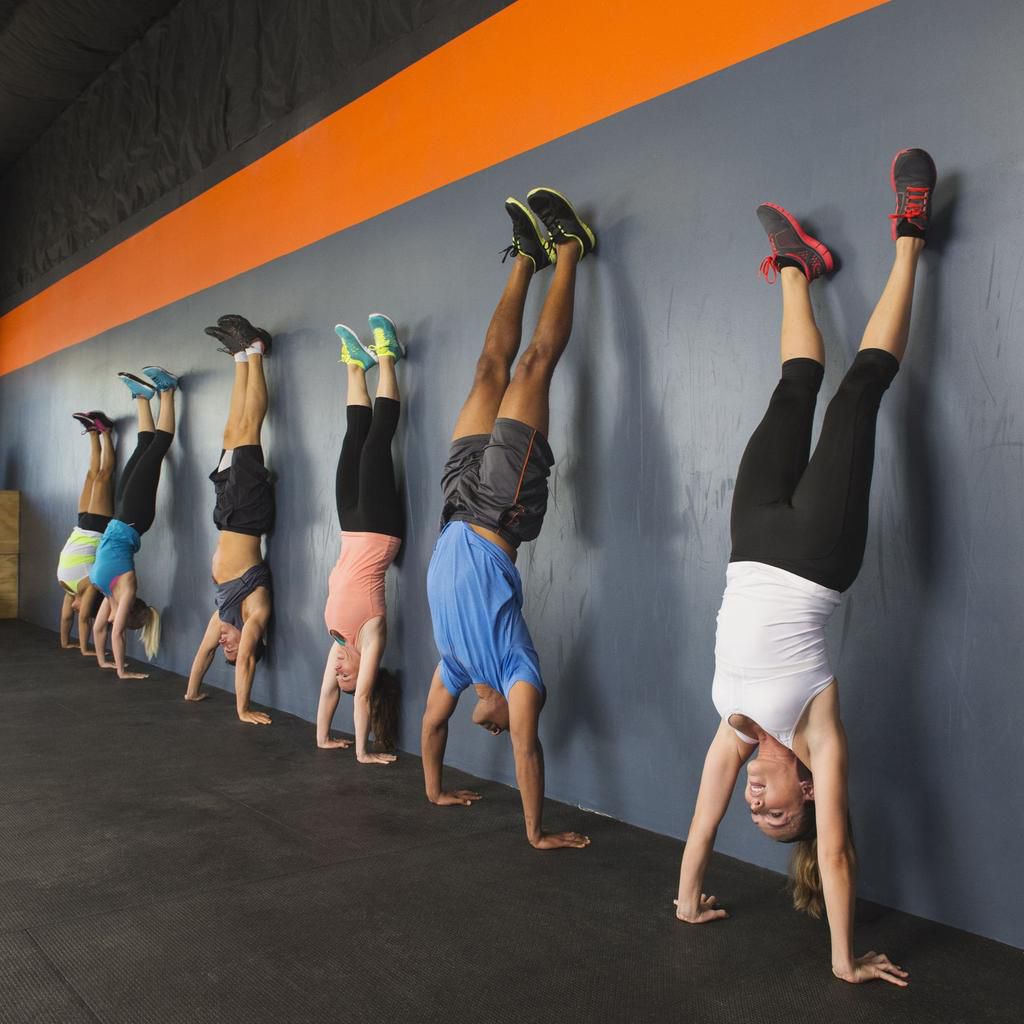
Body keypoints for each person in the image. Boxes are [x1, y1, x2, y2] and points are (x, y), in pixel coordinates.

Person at [674, 148, 937, 987]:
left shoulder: (732, 730)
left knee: (793, 388)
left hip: (749, 542)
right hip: (820, 555)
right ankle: (911, 233)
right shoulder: (818, 734)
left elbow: (701, 824)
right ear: (810, 791)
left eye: (758, 811)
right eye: (777, 810)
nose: (757, 802)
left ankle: (797, 266)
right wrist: (842, 960)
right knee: (858, 392)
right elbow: (837, 856)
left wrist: (686, 899)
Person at [421, 188, 595, 850]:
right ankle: (571, 247)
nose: (488, 727)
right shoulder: (519, 676)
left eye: (488, 725)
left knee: (486, 370)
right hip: (501, 506)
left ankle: (526, 257)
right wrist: (536, 832)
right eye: (495, 727)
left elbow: (431, 727)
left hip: (455, 503)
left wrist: (434, 790)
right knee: (531, 369)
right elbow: (527, 750)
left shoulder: (457, 668)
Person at [315, 315, 405, 763]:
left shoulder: (337, 643)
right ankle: (388, 358)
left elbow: (327, 695)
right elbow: (362, 696)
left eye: (340, 678)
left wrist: (321, 738)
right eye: (346, 676)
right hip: (380, 533)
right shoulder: (370, 641)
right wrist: (361, 752)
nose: (339, 673)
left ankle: (356, 367)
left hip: (351, 526)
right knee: (375, 445)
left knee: (352, 444)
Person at [184, 315, 275, 725]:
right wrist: (243, 708)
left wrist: (192, 691)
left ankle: (238, 357)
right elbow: (247, 663)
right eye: (233, 648)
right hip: (248, 514)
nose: (226, 645)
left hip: (226, 514)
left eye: (226, 650)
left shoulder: (222, 616)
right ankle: (256, 351)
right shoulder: (255, 614)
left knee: (230, 433)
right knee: (250, 428)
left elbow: (203, 652)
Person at [92, 366, 179, 678]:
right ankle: (168, 391)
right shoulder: (125, 590)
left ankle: (142, 398)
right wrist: (121, 670)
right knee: (157, 450)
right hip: (134, 518)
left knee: (143, 448)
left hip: (120, 517)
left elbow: (100, 629)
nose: (109, 619)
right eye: (117, 619)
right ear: (128, 613)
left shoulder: (107, 593)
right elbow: (116, 633)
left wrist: (102, 661)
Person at [57, 410, 115, 654]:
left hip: (81, 525)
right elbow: (82, 620)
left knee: (91, 475)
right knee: (103, 477)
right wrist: (84, 648)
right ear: (91, 606)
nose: (74, 608)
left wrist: (64, 642)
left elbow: (66, 619)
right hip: (97, 528)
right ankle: (106, 433)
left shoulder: (69, 589)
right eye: (80, 609)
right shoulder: (92, 586)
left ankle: (93, 432)